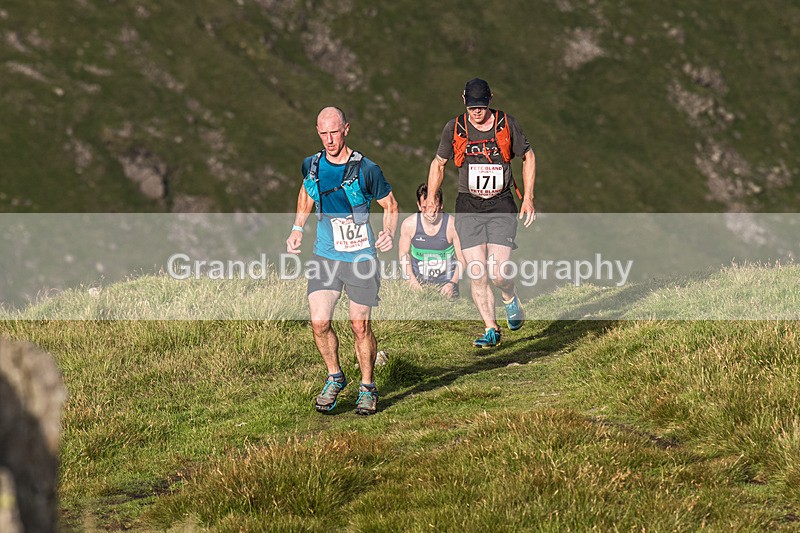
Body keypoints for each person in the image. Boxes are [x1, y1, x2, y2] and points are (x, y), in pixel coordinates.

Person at [286, 106, 398, 415]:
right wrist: (297, 228)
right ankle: (335, 376)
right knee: (319, 322)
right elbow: (307, 193)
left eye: (334, 132)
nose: (329, 139)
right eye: (323, 133)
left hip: (361, 256)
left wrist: (388, 232)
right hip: (325, 254)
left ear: (346, 129)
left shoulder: (367, 169)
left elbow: (390, 204)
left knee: (359, 326)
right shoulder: (312, 165)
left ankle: (367, 387)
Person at [425, 78, 536, 348]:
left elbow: (528, 156)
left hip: (501, 203)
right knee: (477, 273)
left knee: (498, 274)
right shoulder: (455, 127)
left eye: (482, 106)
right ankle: (491, 329)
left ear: (491, 100)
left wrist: (529, 198)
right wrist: (430, 198)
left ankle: (509, 297)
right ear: (464, 100)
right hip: (469, 205)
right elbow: (439, 163)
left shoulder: (507, 124)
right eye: (473, 106)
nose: (477, 112)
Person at [398, 183, 464, 298]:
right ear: (418, 205)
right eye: (425, 207)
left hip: (446, 285)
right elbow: (403, 254)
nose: (430, 213)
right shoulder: (409, 224)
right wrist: (412, 281)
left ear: (441, 205)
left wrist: (452, 283)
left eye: (435, 207)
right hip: (418, 284)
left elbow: (462, 259)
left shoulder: (452, 225)